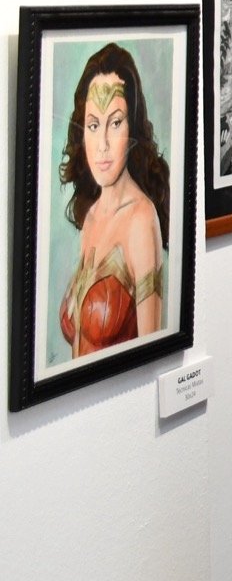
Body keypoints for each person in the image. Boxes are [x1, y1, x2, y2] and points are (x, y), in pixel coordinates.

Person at [56, 44, 170, 360]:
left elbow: (150, 354)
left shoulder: (141, 219)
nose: (103, 144)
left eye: (115, 122)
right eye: (94, 125)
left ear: (132, 128)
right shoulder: (91, 217)